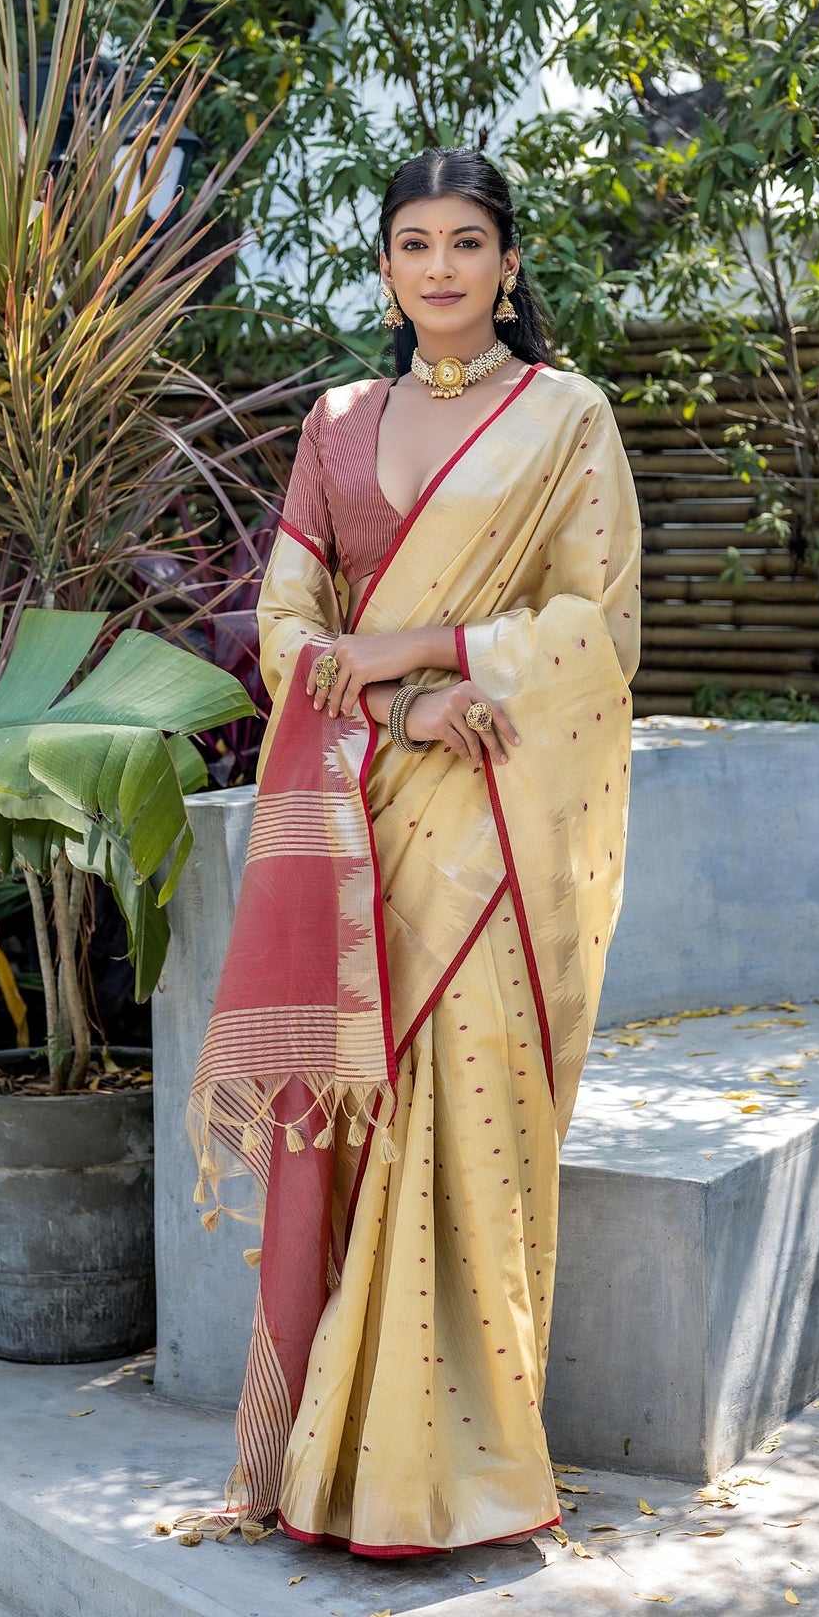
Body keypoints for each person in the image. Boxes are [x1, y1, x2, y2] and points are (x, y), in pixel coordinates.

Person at [170, 146, 641, 1556]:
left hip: (490, 832)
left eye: (468, 242)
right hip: (368, 807)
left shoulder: (565, 419)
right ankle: (334, 1461)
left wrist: (436, 642)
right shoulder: (335, 423)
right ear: (385, 268)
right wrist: (397, 698)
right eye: (414, 244)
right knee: (359, 1133)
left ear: (509, 265)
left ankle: (471, 1465)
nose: (440, 267)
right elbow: (290, 621)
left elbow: (595, 632)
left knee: (472, 1117)